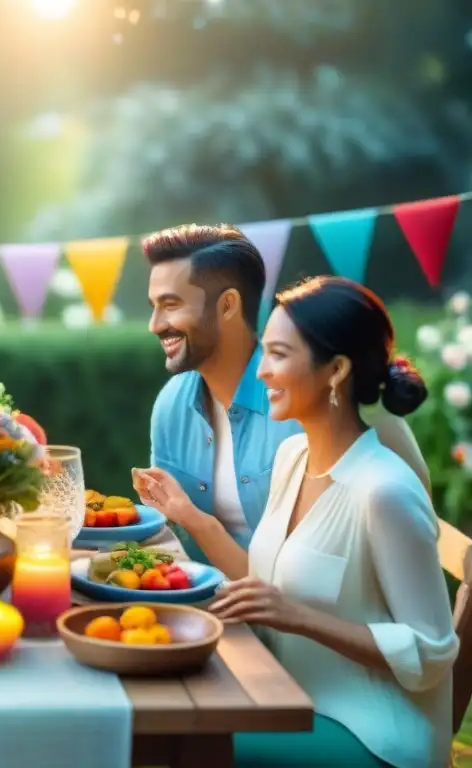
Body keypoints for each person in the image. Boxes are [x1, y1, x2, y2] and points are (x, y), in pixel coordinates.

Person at [152, 277, 456, 766]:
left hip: (373, 734)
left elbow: (431, 652)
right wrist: (190, 522)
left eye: (277, 355)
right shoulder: (294, 456)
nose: (262, 373)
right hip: (286, 696)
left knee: (182, 741)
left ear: (335, 370)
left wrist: (301, 618)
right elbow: (264, 585)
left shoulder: (384, 492)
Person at [132, 224, 430, 564]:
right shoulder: (172, 404)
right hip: (203, 609)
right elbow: (162, 528)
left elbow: (412, 518)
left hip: (295, 611)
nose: (154, 324)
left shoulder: (319, 398)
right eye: (154, 306)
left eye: (170, 305)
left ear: (227, 305)